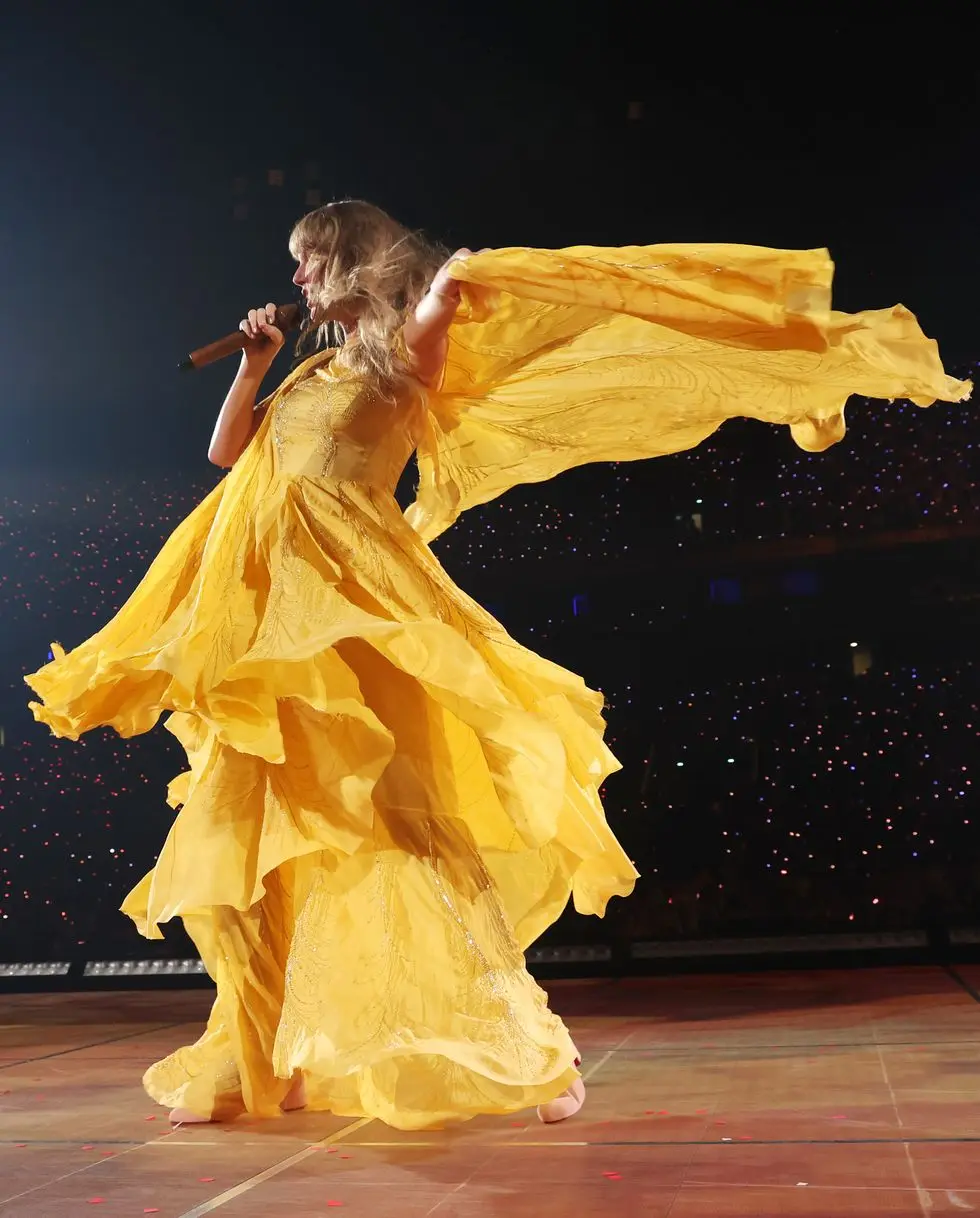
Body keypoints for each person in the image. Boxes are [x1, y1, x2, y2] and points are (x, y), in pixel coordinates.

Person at [25, 200, 970, 1130]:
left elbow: (449, 295)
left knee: (404, 826)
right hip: (268, 625)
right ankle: (262, 1061)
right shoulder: (309, 366)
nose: (298, 278)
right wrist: (258, 364)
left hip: (361, 613)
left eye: (310, 259)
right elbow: (229, 453)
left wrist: (456, 282)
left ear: (355, 261)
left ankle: (529, 1053)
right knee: (244, 839)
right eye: (296, 262)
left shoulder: (406, 348)